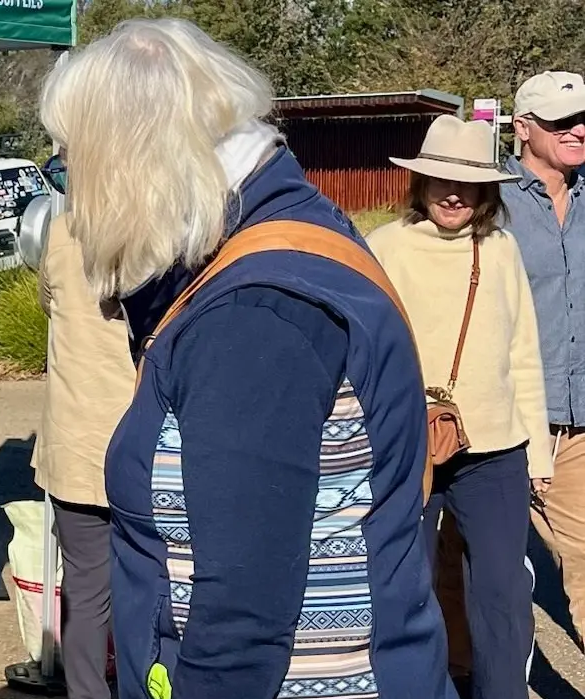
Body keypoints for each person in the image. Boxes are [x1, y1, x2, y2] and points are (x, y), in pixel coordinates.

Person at [38, 18, 454, 698]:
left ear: (130, 160)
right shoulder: (294, 235)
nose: (73, 202)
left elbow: (241, 617)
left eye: (69, 167)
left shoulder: (254, 316)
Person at [367, 114, 549, 698]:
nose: (454, 193)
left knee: (502, 591)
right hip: (407, 443)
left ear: (487, 191)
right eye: (442, 180)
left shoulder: (500, 250)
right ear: (419, 183)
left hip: (495, 449)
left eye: (469, 182)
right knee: (403, 585)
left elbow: (524, 349)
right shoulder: (384, 249)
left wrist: (538, 450)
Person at [31, 149, 133, 699]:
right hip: (143, 448)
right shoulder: (158, 234)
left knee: (86, 591)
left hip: (73, 445)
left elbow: (50, 302)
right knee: (147, 588)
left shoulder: (61, 232)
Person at [502, 70, 585, 648]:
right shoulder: (488, 199)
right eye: (562, 122)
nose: (578, 130)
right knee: (471, 566)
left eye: (584, 120)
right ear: (524, 128)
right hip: (501, 417)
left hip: (579, 421)